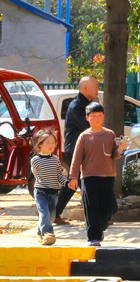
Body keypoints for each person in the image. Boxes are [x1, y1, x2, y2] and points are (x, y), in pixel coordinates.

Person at [68, 102, 129, 246]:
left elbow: (114, 154)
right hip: (89, 177)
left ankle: (100, 228)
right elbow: (76, 159)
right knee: (91, 208)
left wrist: (121, 149)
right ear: (87, 118)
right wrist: (73, 177)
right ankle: (93, 237)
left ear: (104, 117)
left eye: (99, 115)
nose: (97, 118)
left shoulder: (109, 134)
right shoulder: (83, 136)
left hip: (107, 177)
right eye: (93, 116)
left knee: (110, 206)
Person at [54, 76, 100, 225]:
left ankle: (54, 213)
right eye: (95, 86)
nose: (98, 88)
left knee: (75, 185)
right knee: (84, 183)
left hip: (81, 150)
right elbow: (89, 126)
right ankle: (93, 219)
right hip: (76, 151)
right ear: (85, 88)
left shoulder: (85, 105)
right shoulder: (77, 106)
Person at [30, 129, 68, 246]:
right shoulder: (35, 160)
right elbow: (36, 175)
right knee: (44, 213)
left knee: (51, 216)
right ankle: (48, 233)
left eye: (53, 143)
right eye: (48, 142)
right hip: (41, 191)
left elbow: (59, 176)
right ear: (40, 144)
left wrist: (67, 183)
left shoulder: (56, 160)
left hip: (53, 192)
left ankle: (39, 232)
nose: (51, 145)